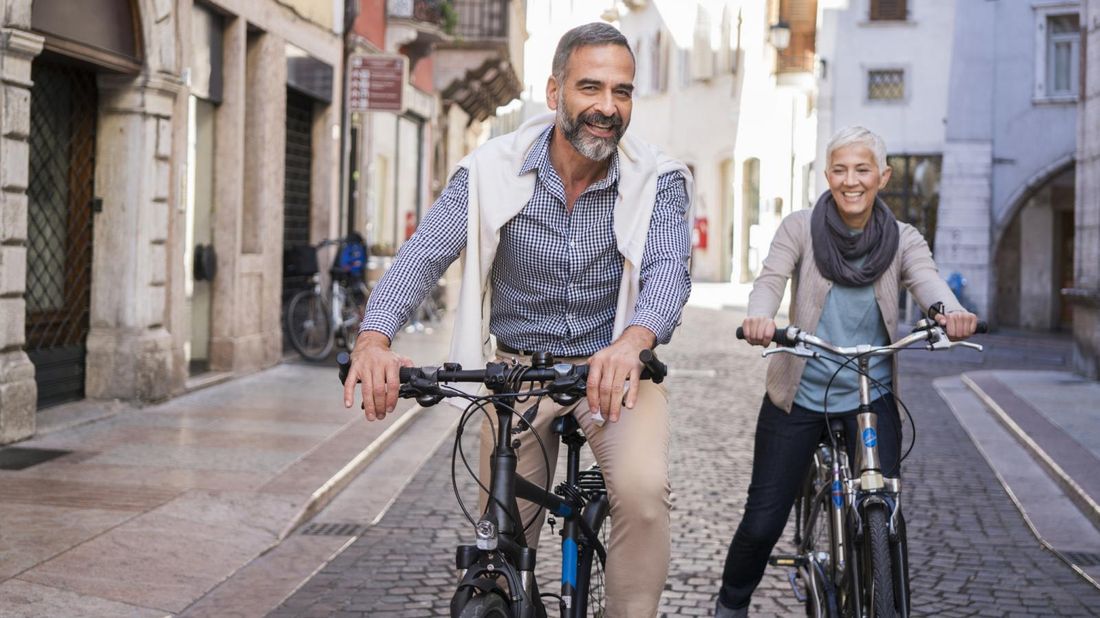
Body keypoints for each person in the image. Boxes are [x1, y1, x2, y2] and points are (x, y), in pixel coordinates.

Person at [342, 22, 693, 617]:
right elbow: (426, 252)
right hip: (516, 376)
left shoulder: (658, 179)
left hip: (613, 370)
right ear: (554, 92)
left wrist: (634, 341)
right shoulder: (491, 168)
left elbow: (667, 273)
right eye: (590, 88)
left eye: (622, 91)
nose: (608, 108)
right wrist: (374, 339)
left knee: (642, 495)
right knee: (501, 538)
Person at [714, 126, 978, 617]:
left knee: (886, 507)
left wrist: (949, 312)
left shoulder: (901, 239)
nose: (850, 180)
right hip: (800, 395)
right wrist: (761, 317)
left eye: (862, 170)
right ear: (827, 176)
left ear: (883, 176)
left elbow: (928, 280)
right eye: (839, 169)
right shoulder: (799, 228)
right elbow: (771, 278)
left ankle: (878, 590)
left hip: (869, 396)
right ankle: (730, 605)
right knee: (762, 520)